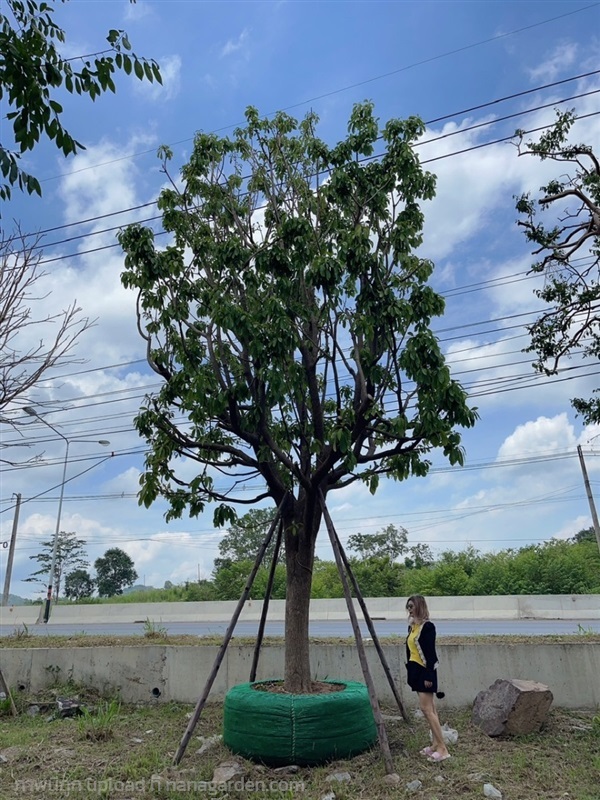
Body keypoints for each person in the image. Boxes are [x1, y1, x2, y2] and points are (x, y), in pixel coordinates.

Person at [404, 594, 451, 762]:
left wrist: (429, 675)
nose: (409, 609)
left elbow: (430, 654)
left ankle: (443, 749)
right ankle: (435, 745)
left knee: (426, 710)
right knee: (431, 709)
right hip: (415, 670)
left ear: (419, 607)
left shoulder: (428, 627)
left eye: (412, 606)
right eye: (407, 607)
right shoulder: (412, 627)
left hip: (425, 672)